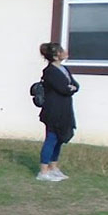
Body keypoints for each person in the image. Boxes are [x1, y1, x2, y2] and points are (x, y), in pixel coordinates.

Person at [37, 42, 77, 182]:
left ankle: (53, 167)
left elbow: (75, 85)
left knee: (60, 139)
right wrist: (69, 88)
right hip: (53, 110)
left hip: (65, 109)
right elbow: (64, 88)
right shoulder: (49, 72)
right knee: (52, 138)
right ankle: (43, 170)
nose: (65, 51)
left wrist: (71, 87)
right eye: (61, 50)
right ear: (55, 55)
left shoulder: (64, 69)